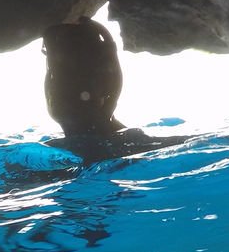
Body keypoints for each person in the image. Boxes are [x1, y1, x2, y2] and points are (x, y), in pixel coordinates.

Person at [42, 18, 187, 164]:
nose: (52, 89)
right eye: (52, 73)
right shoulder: (145, 147)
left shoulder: (44, 157)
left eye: (61, 77)